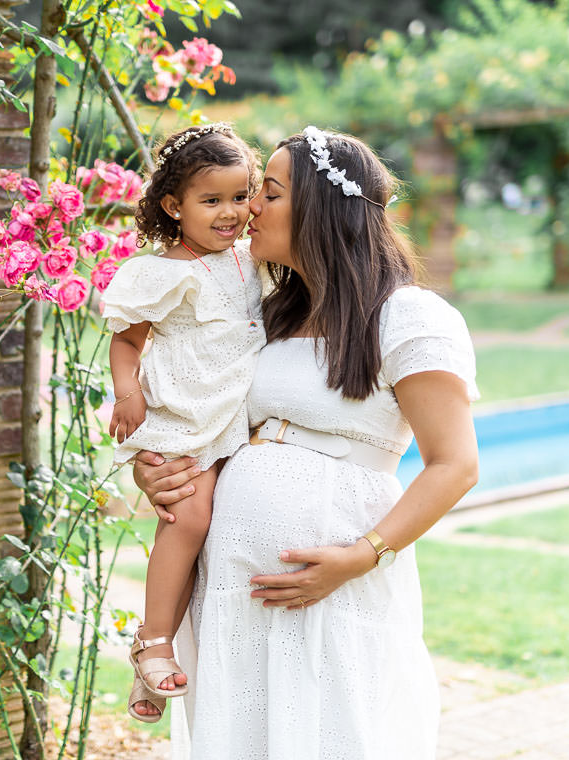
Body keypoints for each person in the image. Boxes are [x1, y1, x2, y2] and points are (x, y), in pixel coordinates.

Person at [132, 126, 480, 758]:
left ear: (323, 208)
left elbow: (454, 465)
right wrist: (158, 470)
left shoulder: (407, 316)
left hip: (335, 585)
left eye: (267, 191)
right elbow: (203, 416)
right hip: (235, 586)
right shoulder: (270, 313)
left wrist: (362, 555)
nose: (248, 208)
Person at [101, 123, 265, 723]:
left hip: (233, 418)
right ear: (174, 206)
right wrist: (127, 393)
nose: (232, 213)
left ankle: (148, 666)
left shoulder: (253, 259)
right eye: (211, 200)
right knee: (188, 520)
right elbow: (126, 341)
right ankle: (155, 644)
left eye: (241, 196)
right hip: (184, 417)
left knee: (212, 548)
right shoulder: (166, 271)